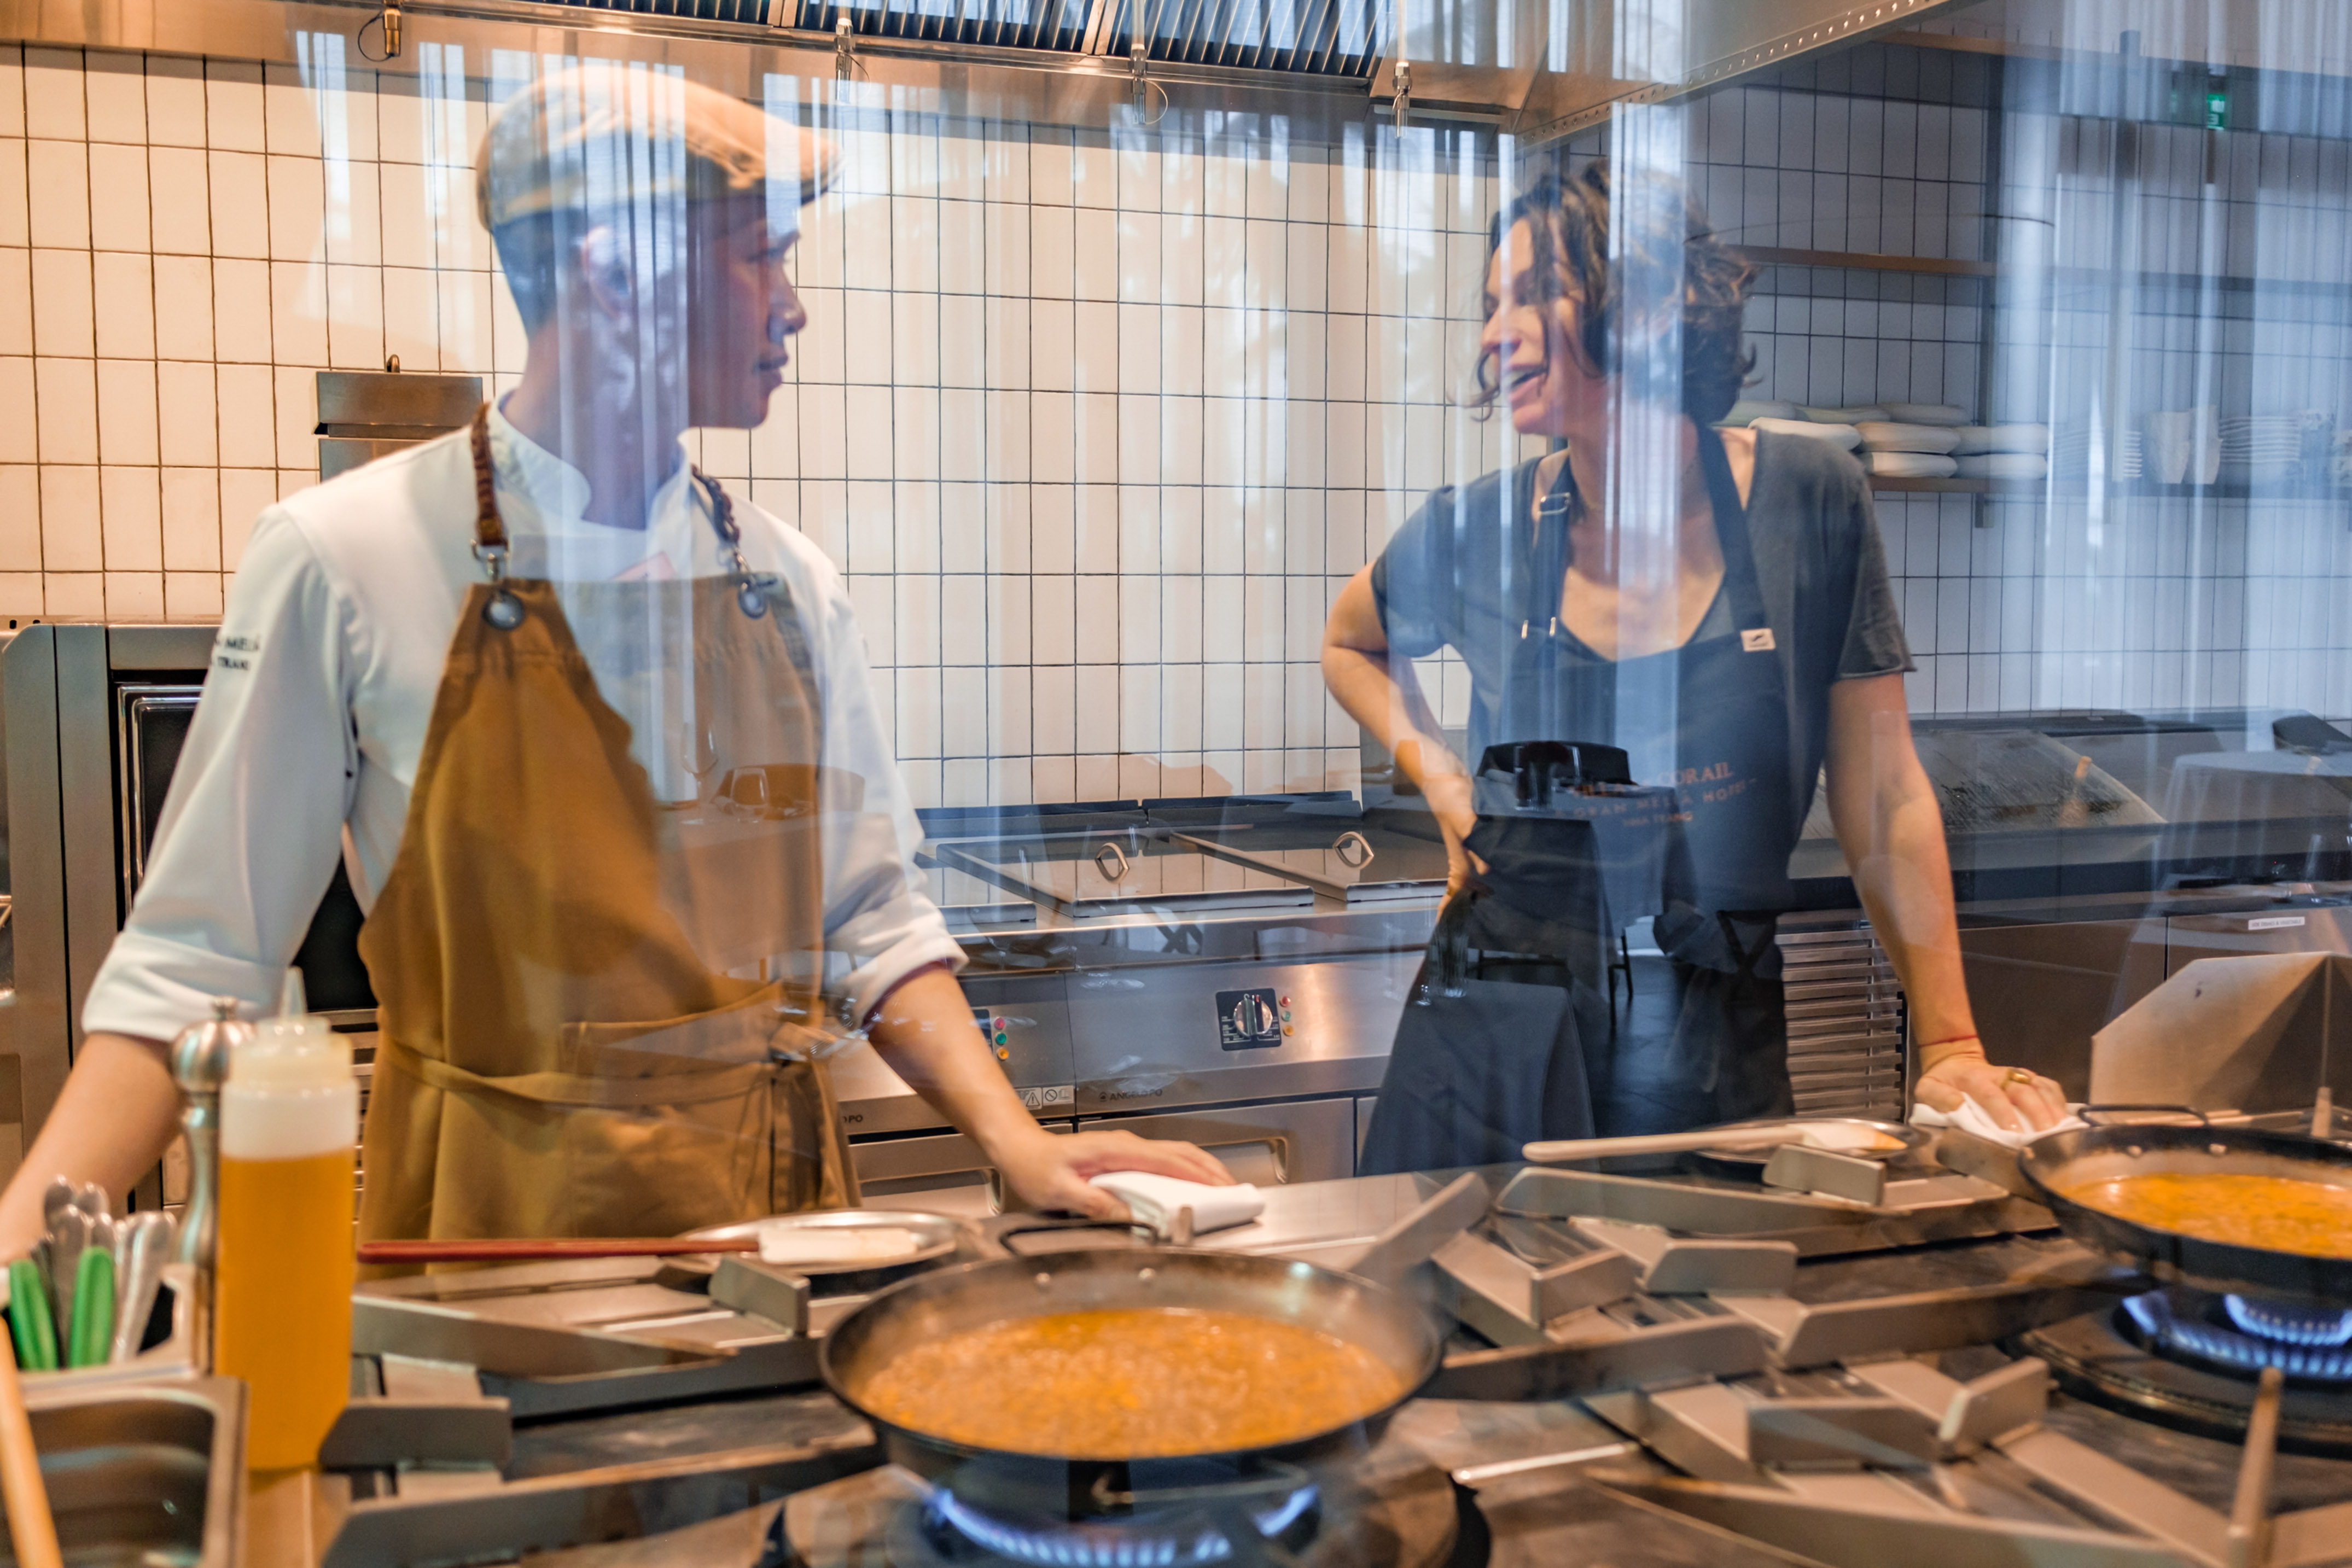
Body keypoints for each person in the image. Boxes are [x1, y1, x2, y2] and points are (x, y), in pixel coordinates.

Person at [0, 63, 1226, 1255]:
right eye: (764, 258)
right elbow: (197, 967)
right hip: (488, 1253)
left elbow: (872, 920)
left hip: (780, 1245)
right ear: (614, 271)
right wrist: (15, 1255)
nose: (793, 305)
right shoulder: (344, 555)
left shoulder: (788, 585)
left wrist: (1015, 1142)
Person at [1324, 159, 2065, 1164]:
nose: (1496, 332)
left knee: (1706, 1308)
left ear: (1647, 307)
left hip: (1712, 1033)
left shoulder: (1812, 500)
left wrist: (1950, 1041)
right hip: (1498, 1035)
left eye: (1535, 293)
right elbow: (1349, 640)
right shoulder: (1479, 529)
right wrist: (1444, 782)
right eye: (1491, 302)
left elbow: (1885, 788)